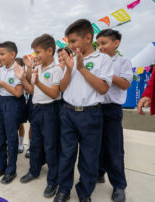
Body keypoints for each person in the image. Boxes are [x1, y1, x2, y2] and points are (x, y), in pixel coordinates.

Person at [54, 19, 113, 202]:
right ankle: (63, 190)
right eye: (68, 42)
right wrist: (69, 69)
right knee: (66, 154)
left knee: (89, 156)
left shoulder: (103, 59)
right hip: (68, 112)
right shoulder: (69, 59)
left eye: (72, 41)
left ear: (88, 38)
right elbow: (62, 88)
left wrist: (81, 68)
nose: (69, 45)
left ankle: (84, 192)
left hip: (91, 114)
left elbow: (103, 88)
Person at [14, 34, 63, 198]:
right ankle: (33, 171)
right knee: (35, 143)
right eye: (34, 52)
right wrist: (23, 79)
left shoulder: (56, 69)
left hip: (51, 111)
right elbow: (32, 91)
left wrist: (37, 82)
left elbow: (54, 93)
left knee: (50, 146)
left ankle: (53, 181)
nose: (36, 56)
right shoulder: (38, 68)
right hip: (37, 109)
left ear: (50, 50)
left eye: (38, 52)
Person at [96, 29, 133, 202]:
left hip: (111, 109)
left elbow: (125, 84)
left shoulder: (123, 62)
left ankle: (119, 185)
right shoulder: (95, 62)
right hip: (95, 108)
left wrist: (108, 74)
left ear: (116, 43)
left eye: (104, 43)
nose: (100, 47)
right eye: (98, 44)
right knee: (96, 145)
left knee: (114, 148)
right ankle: (99, 172)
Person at [0, 41, 24, 184]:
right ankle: (1, 167)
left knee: (11, 138)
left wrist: (3, 83)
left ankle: (11, 170)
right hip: (1, 102)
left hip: (12, 104)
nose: (0, 57)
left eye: (2, 54)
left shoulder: (18, 70)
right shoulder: (0, 70)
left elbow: (18, 93)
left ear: (12, 54)